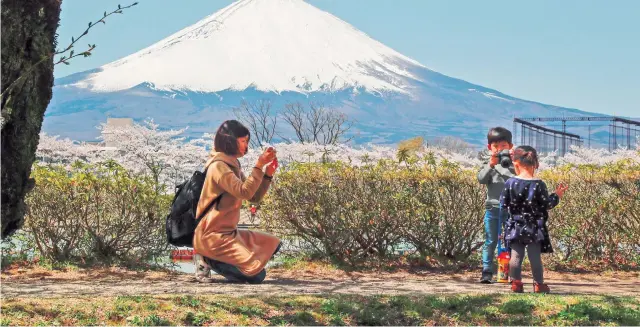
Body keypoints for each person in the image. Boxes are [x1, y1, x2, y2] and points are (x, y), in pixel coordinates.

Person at [192, 120, 281, 284]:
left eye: (247, 141)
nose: (246, 146)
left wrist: (267, 174)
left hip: (230, 233)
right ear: (229, 140)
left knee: (273, 244)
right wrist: (259, 164)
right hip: (212, 236)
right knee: (257, 276)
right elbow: (243, 192)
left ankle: (222, 259)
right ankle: (208, 258)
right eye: (243, 141)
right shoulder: (218, 166)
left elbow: (253, 197)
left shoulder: (233, 165)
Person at [500, 145, 568, 293]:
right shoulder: (539, 184)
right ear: (535, 164)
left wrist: (504, 225)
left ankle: (516, 283)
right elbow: (546, 204)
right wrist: (556, 195)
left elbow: (503, 204)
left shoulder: (510, 183)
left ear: (515, 163)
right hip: (534, 228)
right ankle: (539, 285)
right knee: (535, 258)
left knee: (516, 256)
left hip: (515, 226)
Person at [477, 127, 515, 283]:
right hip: (492, 208)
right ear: (489, 148)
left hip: (512, 210)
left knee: (511, 241)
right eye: (496, 146)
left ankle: (512, 271)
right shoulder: (489, 164)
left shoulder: (515, 163)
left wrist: (516, 162)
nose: (500, 149)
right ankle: (487, 271)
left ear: (510, 146)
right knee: (490, 240)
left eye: (504, 146)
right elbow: (481, 179)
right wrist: (491, 165)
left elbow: (523, 178)